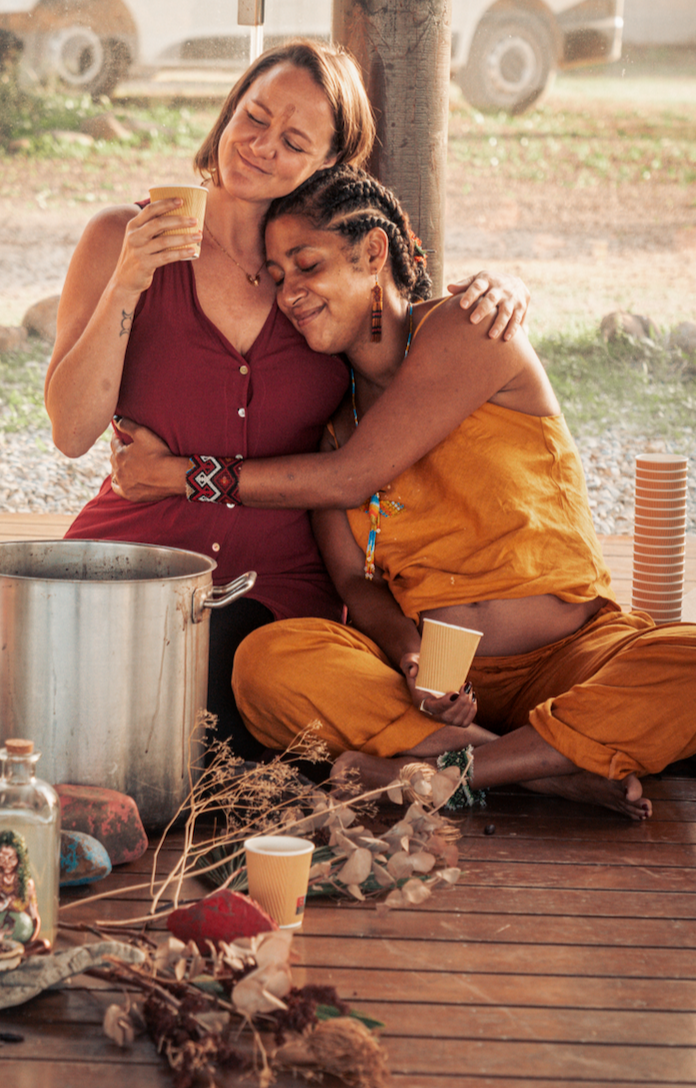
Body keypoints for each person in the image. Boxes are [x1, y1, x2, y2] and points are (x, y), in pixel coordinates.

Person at [45, 40, 530, 755]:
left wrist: (508, 288)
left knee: (200, 721)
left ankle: (504, 760)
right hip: (131, 557)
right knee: (62, 710)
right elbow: (71, 430)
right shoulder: (119, 235)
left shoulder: (322, 275)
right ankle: (518, 760)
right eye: (254, 117)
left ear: (328, 165)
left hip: (270, 584)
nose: (260, 146)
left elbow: (417, 340)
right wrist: (129, 279)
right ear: (228, 112)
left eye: (294, 139)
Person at [206, 164, 696, 820]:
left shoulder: (471, 326)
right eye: (278, 277)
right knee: (267, 661)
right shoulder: (334, 428)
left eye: (307, 265)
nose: (290, 292)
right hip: (436, 690)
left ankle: (455, 770)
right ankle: (544, 770)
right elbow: (355, 583)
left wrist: (189, 472)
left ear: (372, 252)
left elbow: (353, 476)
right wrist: (410, 657)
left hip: (572, 655)